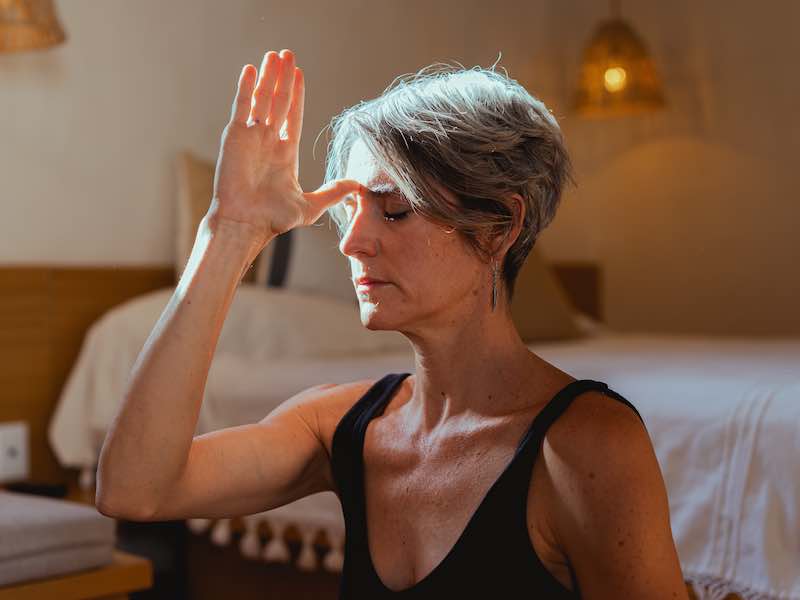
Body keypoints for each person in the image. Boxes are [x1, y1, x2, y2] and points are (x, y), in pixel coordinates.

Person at [96, 49, 689, 599]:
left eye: (395, 210)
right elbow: (133, 489)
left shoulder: (588, 445)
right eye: (352, 210)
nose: (352, 241)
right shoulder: (338, 427)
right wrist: (229, 232)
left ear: (500, 227)